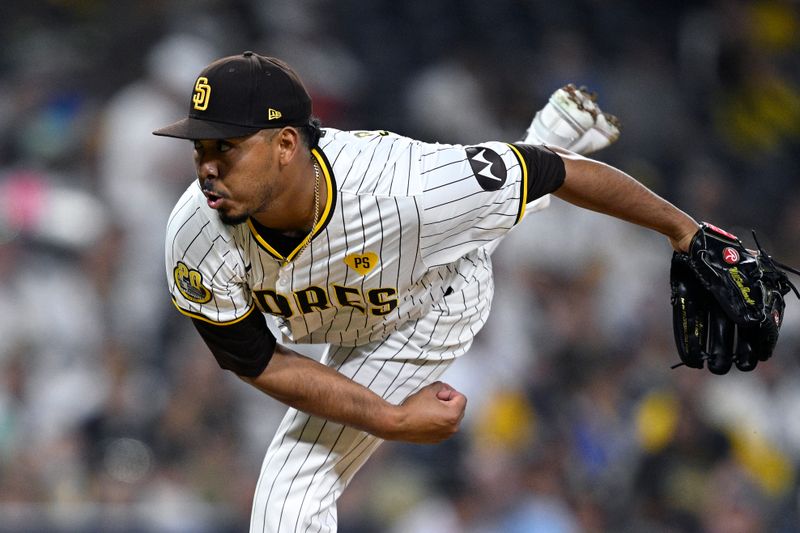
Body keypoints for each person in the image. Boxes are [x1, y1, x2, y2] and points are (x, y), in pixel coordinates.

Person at [153, 51, 699, 532]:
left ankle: (549, 136)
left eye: (225, 147)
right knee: (477, 220)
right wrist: (389, 419)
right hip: (345, 303)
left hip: (425, 304)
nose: (207, 167)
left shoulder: (407, 185)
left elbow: (551, 172)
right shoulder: (196, 234)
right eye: (200, 147)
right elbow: (255, 360)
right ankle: (551, 128)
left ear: (286, 144)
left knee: (293, 484)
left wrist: (687, 235)